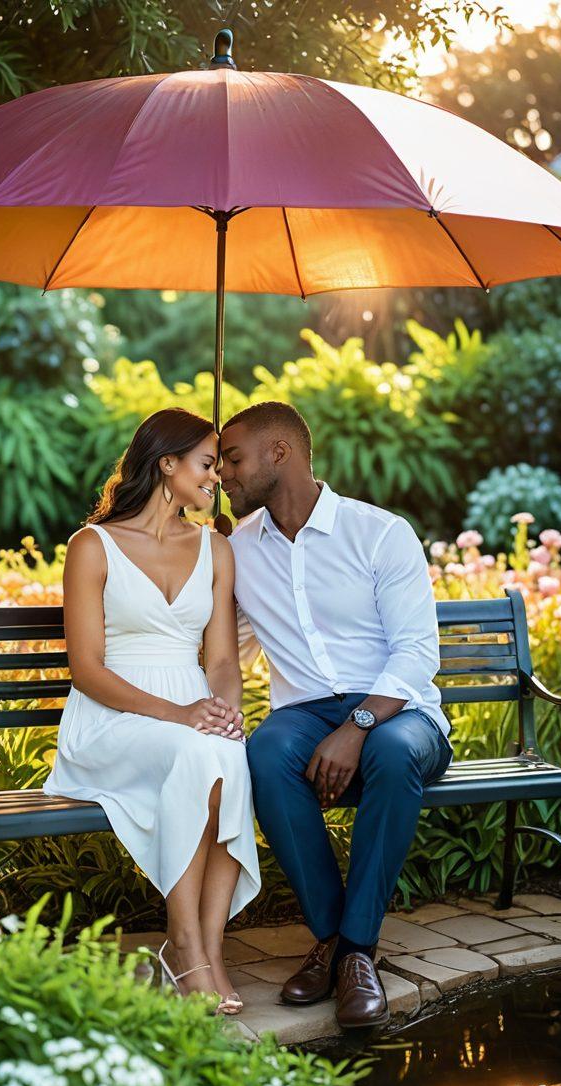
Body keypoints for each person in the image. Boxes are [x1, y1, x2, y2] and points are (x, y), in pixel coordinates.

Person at [219, 401, 452, 1028]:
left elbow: (416, 652)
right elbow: (227, 648)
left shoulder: (380, 533)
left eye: (233, 459)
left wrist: (358, 726)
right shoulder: (237, 549)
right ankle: (334, 937)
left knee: (392, 752)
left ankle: (354, 952)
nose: (222, 474)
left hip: (400, 712)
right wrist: (202, 566)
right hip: (304, 716)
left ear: (280, 453)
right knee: (266, 752)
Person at [45, 408, 260, 1015]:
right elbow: (87, 670)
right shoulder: (92, 547)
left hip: (191, 714)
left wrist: (224, 712)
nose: (217, 477)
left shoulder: (215, 548)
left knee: (228, 755)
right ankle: (183, 944)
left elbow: (223, 659)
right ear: (167, 464)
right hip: (111, 718)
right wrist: (180, 715)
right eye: (207, 464)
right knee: (199, 752)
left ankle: (208, 951)